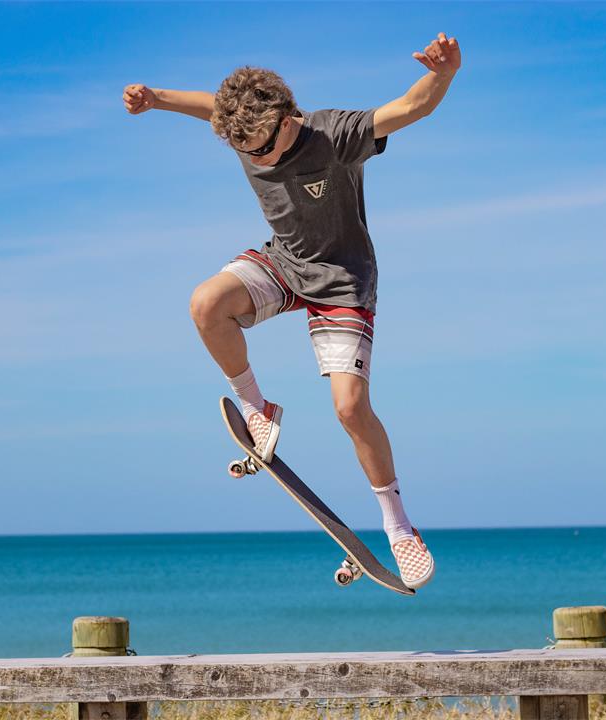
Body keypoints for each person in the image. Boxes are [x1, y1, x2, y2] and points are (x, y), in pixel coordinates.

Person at [123, 32, 461, 589]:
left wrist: (443, 74)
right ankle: (259, 407)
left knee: (350, 408)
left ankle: (398, 525)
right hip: (284, 263)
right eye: (244, 150)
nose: (254, 158)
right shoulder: (244, 129)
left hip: (343, 282)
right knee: (206, 303)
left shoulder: (335, 134)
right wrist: (155, 97)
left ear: (286, 118)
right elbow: (211, 105)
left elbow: (409, 107)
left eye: (261, 147)